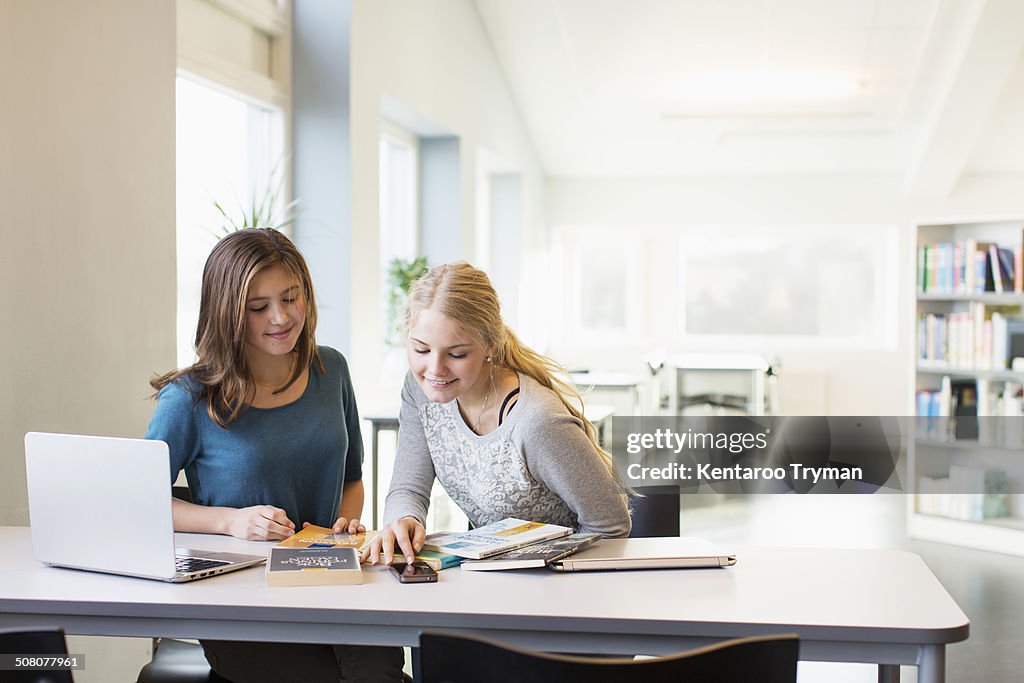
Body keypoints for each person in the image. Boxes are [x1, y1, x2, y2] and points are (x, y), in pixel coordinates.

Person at [145, 228, 403, 683]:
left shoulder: (331, 369)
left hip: (333, 583)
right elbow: (138, 502)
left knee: (381, 670)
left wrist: (343, 525)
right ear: (226, 312)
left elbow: (351, 480)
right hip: (242, 598)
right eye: (258, 307)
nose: (281, 318)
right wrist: (229, 521)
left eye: (291, 297)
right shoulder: (189, 398)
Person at [365, 262, 631, 566]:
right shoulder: (419, 390)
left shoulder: (537, 423)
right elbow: (408, 488)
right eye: (421, 350)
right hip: (491, 576)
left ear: (490, 345)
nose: (435, 370)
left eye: (456, 354)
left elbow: (610, 526)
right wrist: (403, 519)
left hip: (555, 585)